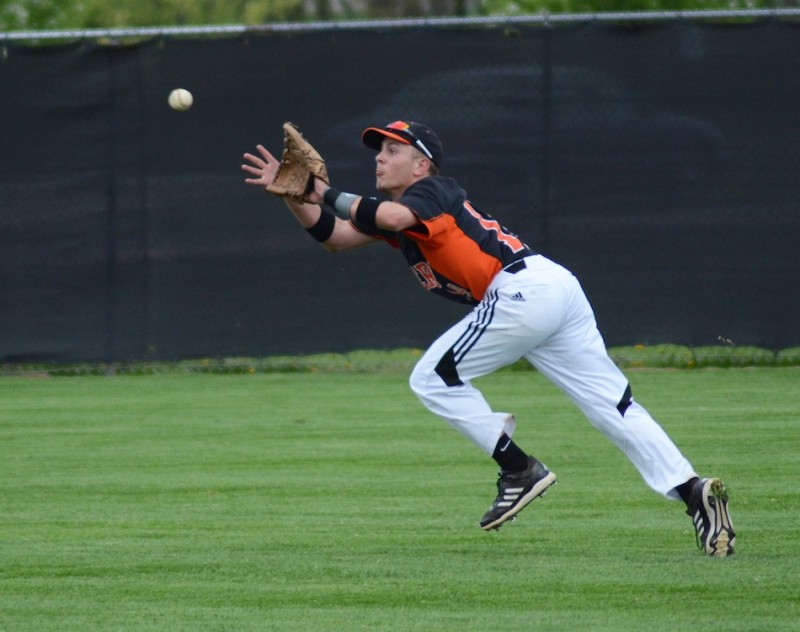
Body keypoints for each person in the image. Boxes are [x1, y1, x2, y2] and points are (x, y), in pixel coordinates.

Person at [242, 120, 735, 557]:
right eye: (379, 150)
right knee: (615, 407)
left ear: (422, 165)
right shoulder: (407, 215)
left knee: (433, 378)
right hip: (550, 289)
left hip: (523, 290)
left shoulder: (434, 192)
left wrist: (322, 189)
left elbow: (385, 217)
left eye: (392, 150)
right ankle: (693, 491)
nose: (380, 157)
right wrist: (296, 196)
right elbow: (336, 236)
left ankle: (519, 469)